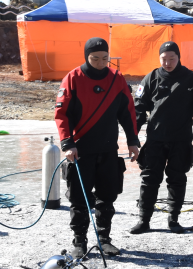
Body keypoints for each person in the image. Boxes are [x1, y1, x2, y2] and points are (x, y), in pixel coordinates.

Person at [55, 37, 140, 257]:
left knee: (107, 197)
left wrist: (133, 140)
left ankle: (104, 239)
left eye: (105, 58)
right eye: (95, 58)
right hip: (80, 150)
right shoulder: (72, 79)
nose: (101, 62)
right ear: (86, 57)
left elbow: (127, 112)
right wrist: (67, 143)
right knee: (79, 199)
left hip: (108, 148)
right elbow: (61, 114)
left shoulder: (116, 79)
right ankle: (79, 242)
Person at [130, 41, 193, 234]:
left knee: (177, 179)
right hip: (156, 139)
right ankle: (144, 220)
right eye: (164, 59)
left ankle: (173, 219)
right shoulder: (151, 78)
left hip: (181, 139)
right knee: (149, 179)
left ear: (179, 58)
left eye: (171, 59)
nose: (167, 63)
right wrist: (133, 135)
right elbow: (139, 109)